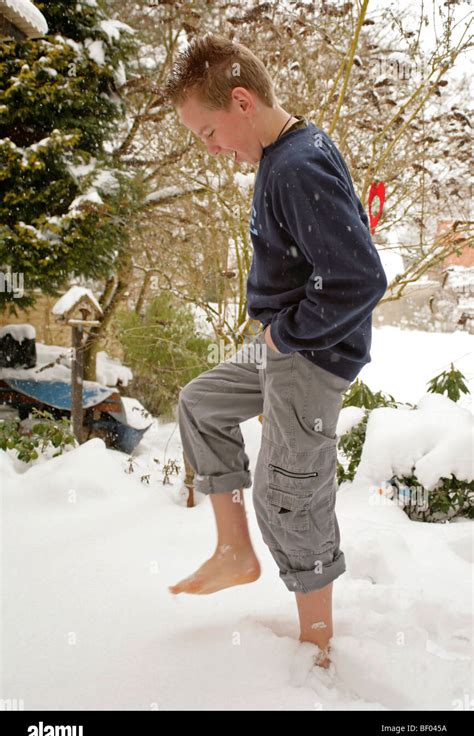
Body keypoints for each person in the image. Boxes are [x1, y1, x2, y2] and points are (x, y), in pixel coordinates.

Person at [163, 33, 388, 668]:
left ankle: (317, 646)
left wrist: (286, 333)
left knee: (288, 493)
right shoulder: (283, 154)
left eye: (207, 132)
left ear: (240, 101)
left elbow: (359, 279)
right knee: (201, 403)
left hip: (309, 359)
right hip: (279, 349)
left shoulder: (296, 165)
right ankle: (235, 550)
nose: (209, 149)